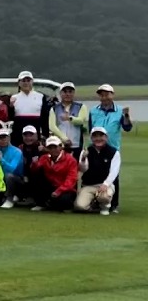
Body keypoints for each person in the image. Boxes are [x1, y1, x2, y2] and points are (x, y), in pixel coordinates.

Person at [88, 84, 133, 213]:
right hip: (96, 145)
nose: (104, 97)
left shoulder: (120, 110)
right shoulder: (93, 111)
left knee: (113, 175)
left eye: (107, 94)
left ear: (112, 95)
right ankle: (95, 201)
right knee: (94, 173)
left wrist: (126, 116)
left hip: (112, 147)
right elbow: (91, 128)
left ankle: (114, 204)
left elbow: (127, 128)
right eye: (102, 94)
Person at [76, 127, 120, 216]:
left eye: (101, 136)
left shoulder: (114, 152)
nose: (98, 139)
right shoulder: (86, 151)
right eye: (95, 136)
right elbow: (83, 169)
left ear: (106, 137)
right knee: (79, 206)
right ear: (91, 138)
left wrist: (106, 184)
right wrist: (84, 158)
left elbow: (114, 171)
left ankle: (105, 206)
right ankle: (94, 205)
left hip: (104, 185)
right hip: (88, 185)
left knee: (104, 197)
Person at [29, 136, 78, 212]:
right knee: (36, 175)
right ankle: (41, 203)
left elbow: (71, 179)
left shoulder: (70, 160)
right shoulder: (44, 158)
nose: (52, 150)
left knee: (64, 201)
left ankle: (54, 203)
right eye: (50, 148)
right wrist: (34, 164)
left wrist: (59, 191)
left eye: (55, 147)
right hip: (51, 187)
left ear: (61, 147)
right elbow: (34, 171)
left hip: (65, 189)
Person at [0, 130, 24, 209]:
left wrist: (1, 159)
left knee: (9, 176)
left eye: (5, 137)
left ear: (9, 138)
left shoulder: (17, 151)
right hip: (1, 179)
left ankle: (9, 199)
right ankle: (5, 197)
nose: (3, 140)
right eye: (0, 138)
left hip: (17, 180)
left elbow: (11, 169)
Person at [49, 82, 88, 157]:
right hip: (60, 145)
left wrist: (70, 118)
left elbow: (81, 121)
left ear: (74, 93)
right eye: (65, 92)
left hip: (76, 145)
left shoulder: (81, 107)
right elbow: (52, 126)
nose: (67, 94)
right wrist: (64, 138)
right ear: (60, 93)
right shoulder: (54, 108)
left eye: (70, 92)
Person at [9, 70, 48, 136]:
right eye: (23, 81)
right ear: (19, 83)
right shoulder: (13, 98)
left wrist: (45, 135)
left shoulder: (40, 97)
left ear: (32, 82)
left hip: (35, 134)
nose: (26, 83)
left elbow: (45, 119)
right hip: (18, 134)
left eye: (28, 80)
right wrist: (11, 107)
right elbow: (10, 118)